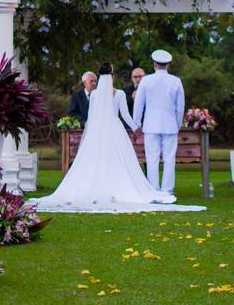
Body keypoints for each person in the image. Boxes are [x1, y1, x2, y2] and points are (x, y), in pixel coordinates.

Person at [31, 62, 201, 213]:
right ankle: (138, 188)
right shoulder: (118, 93)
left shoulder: (95, 95)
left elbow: (91, 117)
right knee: (119, 160)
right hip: (115, 129)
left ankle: (99, 188)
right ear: (112, 76)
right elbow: (125, 115)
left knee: (97, 160)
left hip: (97, 131)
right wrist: (136, 128)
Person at [133, 50, 185, 194]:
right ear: (168, 65)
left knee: (152, 158)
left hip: (150, 125)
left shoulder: (146, 80)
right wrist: (178, 124)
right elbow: (180, 107)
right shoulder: (176, 81)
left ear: (154, 64)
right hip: (170, 125)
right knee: (169, 159)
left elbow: (139, 104)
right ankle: (167, 190)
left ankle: (153, 189)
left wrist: (137, 123)